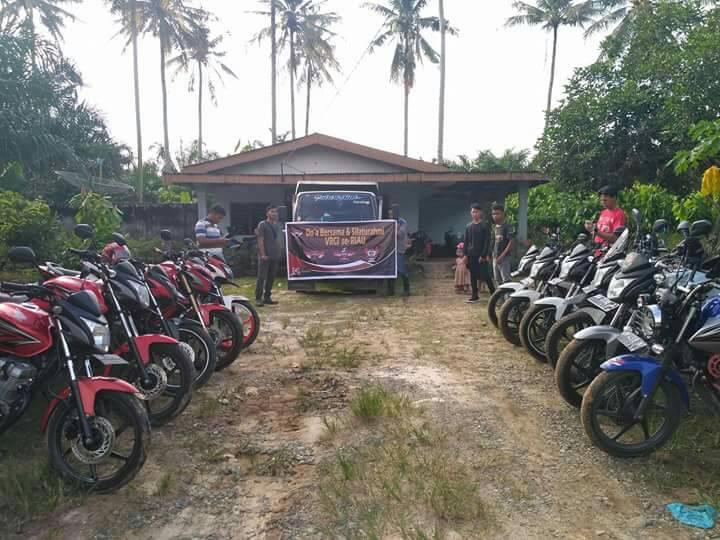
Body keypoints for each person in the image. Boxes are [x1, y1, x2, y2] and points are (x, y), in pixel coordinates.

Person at [464, 203, 495, 303]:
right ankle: (474, 295)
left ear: (480, 213)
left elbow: (487, 241)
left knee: (485, 275)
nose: (475, 214)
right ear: (470, 213)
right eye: (473, 212)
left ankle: (494, 294)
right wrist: (465, 255)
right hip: (471, 254)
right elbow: (466, 241)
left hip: (481, 255)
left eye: (476, 212)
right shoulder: (468, 226)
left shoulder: (485, 225)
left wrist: (483, 255)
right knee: (473, 275)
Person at [255, 205, 283, 307]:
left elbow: (279, 239)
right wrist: (263, 254)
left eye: (275, 212)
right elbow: (260, 240)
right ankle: (258, 298)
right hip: (265, 255)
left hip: (275, 255)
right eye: (272, 211)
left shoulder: (278, 225)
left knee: (271, 277)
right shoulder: (262, 224)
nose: (274, 213)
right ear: (267, 213)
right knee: (261, 277)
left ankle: (267, 297)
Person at [388, 204, 410, 296]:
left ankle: (407, 290)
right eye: (389, 214)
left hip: (399, 249)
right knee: (390, 270)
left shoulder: (402, 222)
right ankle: (390, 291)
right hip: (390, 250)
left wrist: (394, 226)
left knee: (401, 270)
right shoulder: (388, 222)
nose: (390, 216)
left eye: (391, 214)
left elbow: (399, 234)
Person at [491, 203, 514, 285]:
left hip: (504, 258)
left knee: (506, 281)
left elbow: (511, 242)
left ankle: (508, 294)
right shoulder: (494, 227)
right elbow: (494, 242)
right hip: (495, 257)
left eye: (497, 213)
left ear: (503, 214)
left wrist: (502, 256)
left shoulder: (508, 227)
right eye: (493, 214)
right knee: (497, 280)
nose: (495, 216)